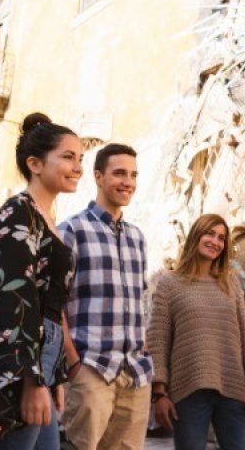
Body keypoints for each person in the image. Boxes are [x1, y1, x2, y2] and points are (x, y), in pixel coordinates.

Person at [0, 112, 82, 448]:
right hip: (16, 364)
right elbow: (13, 298)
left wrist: (53, 374)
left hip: (40, 361)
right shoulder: (18, 211)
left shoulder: (48, 219)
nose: (78, 167)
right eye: (68, 157)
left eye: (81, 159)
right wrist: (30, 378)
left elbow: (50, 306)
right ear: (35, 164)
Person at [148, 214, 245, 450]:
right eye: (209, 234)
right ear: (196, 236)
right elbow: (158, 341)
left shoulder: (231, 283)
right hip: (188, 389)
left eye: (221, 238)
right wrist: (159, 394)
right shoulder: (169, 283)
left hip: (232, 388)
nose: (215, 241)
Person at [58, 143, 152, 449]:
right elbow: (54, 305)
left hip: (135, 375)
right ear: (98, 177)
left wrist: (145, 350)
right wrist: (74, 364)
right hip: (92, 369)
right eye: (119, 173)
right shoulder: (71, 230)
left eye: (134, 175)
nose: (128, 182)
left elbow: (138, 301)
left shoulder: (137, 237)